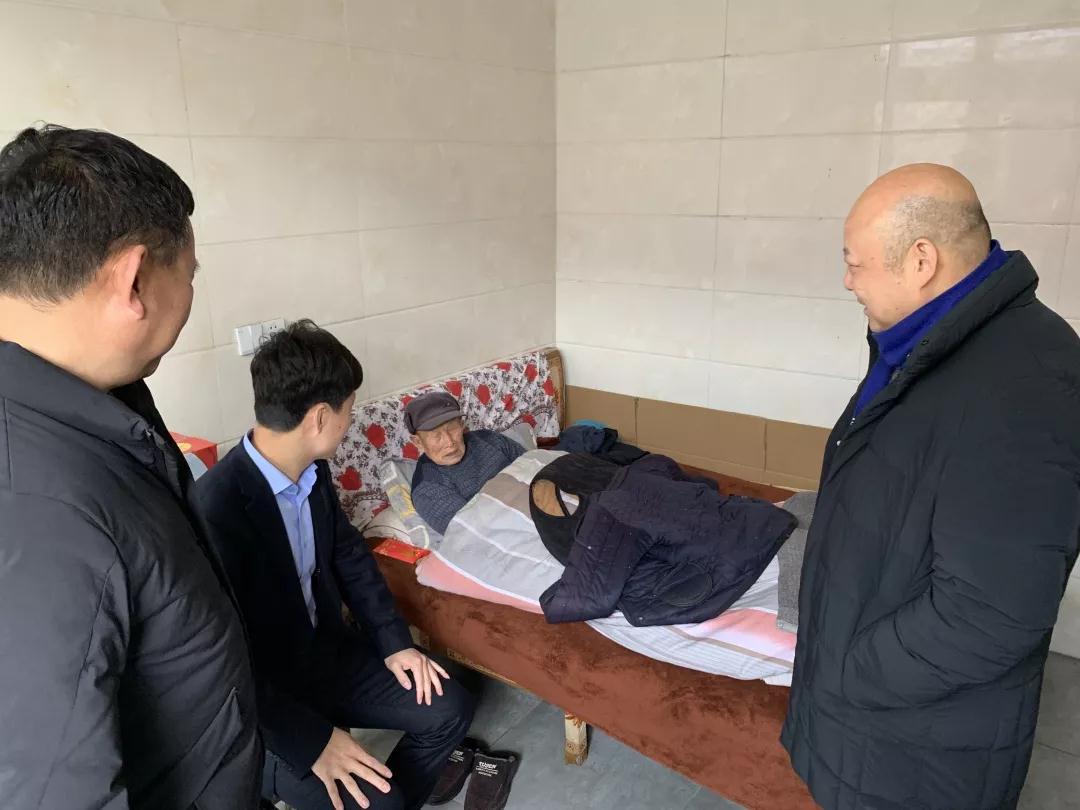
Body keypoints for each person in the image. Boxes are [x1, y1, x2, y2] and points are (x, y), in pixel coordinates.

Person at [782, 163, 1080, 810]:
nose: (847, 281)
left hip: (910, 755)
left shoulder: (1023, 388)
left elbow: (989, 616)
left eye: (855, 264)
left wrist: (848, 670)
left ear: (921, 261)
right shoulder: (929, 345)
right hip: (872, 724)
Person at [0, 125, 261, 808]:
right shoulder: (38, 509)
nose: (191, 292)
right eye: (190, 274)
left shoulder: (92, 401)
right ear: (135, 278)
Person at [194, 320, 475, 810]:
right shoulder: (216, 508)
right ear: (321, 417)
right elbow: (216, 665)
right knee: (377, 802)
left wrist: (394, 644)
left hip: (324, 657)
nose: (350, 421)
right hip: (262, 703)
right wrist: (312, 742)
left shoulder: (312, 472)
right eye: (349, 408)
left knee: (450, 705)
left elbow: (349, 557)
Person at [406, 391, 525, 534]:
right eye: (436, 435)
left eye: (452, 428)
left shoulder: (490, 439)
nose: (449, 442)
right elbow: (476, 534)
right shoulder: (428, 488)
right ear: (418, 442)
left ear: (462, 425)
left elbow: (534, 467)